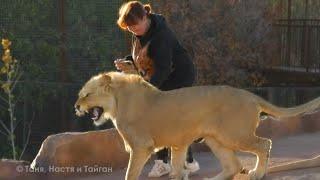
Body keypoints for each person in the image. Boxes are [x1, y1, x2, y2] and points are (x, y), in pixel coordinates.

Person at [114, 1, 199, 178]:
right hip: (161, 74)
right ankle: (186, 161)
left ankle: (170, 163)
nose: (133, 29)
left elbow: (163, 68)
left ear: (145, 17)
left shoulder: (161, 35)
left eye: (135, 25)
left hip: (179, 74)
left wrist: (147, 92)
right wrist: (128, 61)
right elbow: (143, 54)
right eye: (129, 27)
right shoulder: (140, 30)